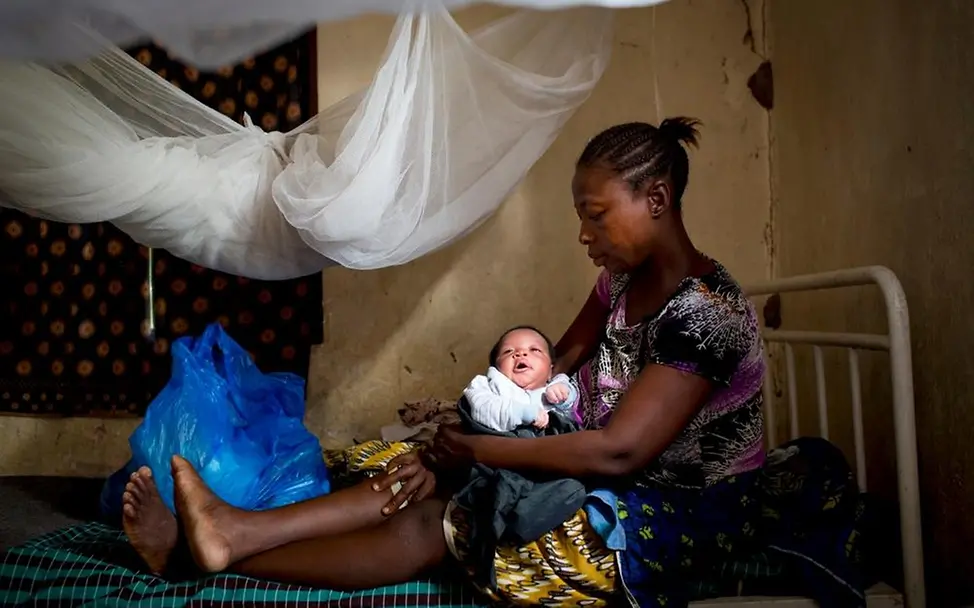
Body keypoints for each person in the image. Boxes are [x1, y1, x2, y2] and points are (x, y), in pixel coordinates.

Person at [121, 117, 769, 606]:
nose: (584, 236)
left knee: (447, 517)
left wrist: (480, 453)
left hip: (680, 509)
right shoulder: (622, 284)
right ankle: (232, 529)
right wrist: (478, 424)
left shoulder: (707, 314)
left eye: (596, 216)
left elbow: (622, 453)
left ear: (655, 200)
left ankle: (200, 553)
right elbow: (562, 359)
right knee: (411, 468)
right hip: (594, 460)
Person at [464, 325, 578, 431]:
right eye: (508, 351)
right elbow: (482, 408)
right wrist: (523, 413)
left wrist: (564, 397)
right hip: (506, 440)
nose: (521, 353)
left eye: (534, 350)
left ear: (550, 369)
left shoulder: (558, 384)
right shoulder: (485, 384)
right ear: (496, 367)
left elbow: (575, 410)